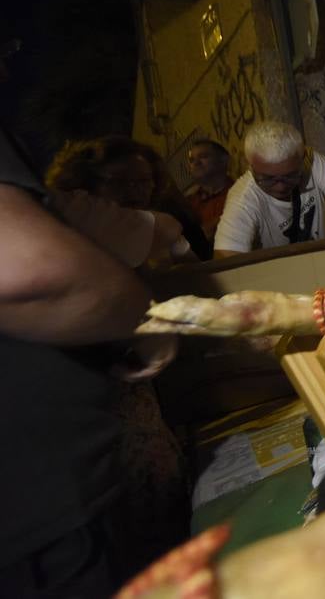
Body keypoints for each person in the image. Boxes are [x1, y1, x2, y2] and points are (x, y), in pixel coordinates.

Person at [0, 126, 167, 597]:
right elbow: (29, 269)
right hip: (42, 526)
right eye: (121, 184)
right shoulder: (80, 222)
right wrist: (147, 324)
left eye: (142, 182)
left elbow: (165, 230)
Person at [213, 120, 325, 258]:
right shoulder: (242, 201)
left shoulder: (312, 161)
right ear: (251, 167)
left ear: (302, 160)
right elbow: (225, 260)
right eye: (267, 178)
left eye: (290, 176)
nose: (280, 187)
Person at [46, 135, 211, 260]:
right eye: (119, 181)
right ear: (85, 183)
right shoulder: (69, 229)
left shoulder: (167, 227)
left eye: (144, 181)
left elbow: (198, 273)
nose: (135, 191)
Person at [183, 138, 235, 242]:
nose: (196, 163)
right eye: (192, 160)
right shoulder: (188, 202)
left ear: (223, 160)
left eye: (203, 156)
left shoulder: (241, 193)